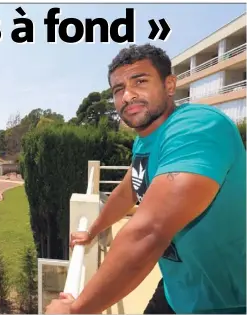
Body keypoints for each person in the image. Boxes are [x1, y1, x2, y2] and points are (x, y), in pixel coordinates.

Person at [45, 43, 246, 314]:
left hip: (228, 301)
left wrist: (75, 310)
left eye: (139, 81)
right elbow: (129, 189)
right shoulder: (146, 141)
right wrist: (91, 232)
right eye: (118, 89)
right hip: (180, 288)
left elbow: (148, 233)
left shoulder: (197, 128)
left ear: (170, 85)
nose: (127, 95)